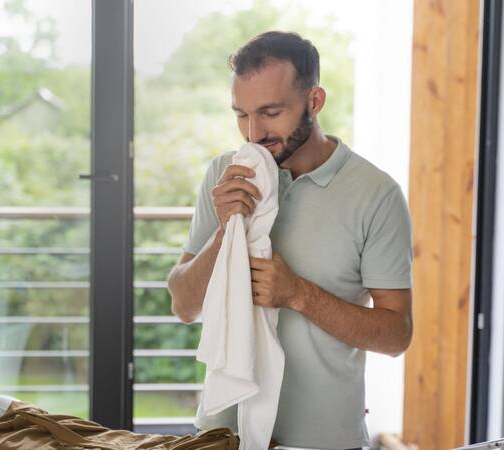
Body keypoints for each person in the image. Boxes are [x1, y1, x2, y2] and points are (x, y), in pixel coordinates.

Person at [166, 31, 414, 450]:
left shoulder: (376, 194)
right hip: (223, 433)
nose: (253, 133)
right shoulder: (227, 175)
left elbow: (396, 334)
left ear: (314, 102)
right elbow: (184, 305)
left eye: (270, 112)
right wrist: (227, 230)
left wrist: (298, 294)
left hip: (323, 440)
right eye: (241, 115)